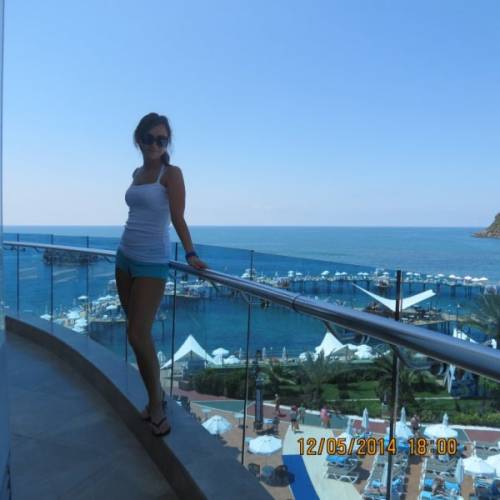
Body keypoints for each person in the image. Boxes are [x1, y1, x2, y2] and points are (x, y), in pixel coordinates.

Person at [115, 113, 208, 437]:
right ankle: (156, 397)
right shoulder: (137, 173)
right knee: (137, 335)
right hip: (124, 258)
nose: (155, 144)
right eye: (150, 138)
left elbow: (178, 217)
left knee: (138, 333)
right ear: (138, 139)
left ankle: (156, 404)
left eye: (162, 139)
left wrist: (190, 253)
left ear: (167, 143)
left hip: (152, 262)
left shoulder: (171, 174)